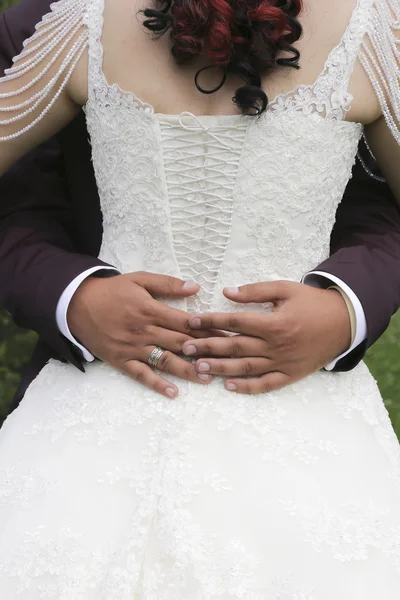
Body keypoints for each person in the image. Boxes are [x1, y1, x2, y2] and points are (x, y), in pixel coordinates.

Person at [0, 0, 399, 596]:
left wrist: (344, 305)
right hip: (184, 404)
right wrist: (74, 294)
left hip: (117, 418)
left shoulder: (85, 19)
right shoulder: (374, 28)